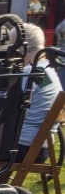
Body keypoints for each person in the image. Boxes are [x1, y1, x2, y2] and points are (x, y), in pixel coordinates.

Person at [20, 21, 61, 161]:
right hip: (41, 146)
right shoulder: (46, 70)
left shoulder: (29, 72)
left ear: (20, 48)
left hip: (23, 147)